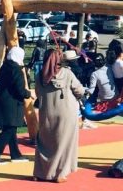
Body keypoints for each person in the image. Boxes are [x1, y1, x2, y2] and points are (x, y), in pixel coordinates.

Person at [33, 49, 87, 182]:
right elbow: (79, 90)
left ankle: (40, 172)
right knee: (64, 143)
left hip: (46, 111)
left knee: (44, 142)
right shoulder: (67, 73)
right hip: (66, 112)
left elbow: (38, 93)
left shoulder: (39, 75)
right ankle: (60, 173)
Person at [0, 46, 32, 164]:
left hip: (4, 102)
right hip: (12, 104)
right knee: (9, 129)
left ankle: (15, 154)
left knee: (10, 129)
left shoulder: (5, 67)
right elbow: (19, 89)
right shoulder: (16, 69)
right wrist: (28, 94)